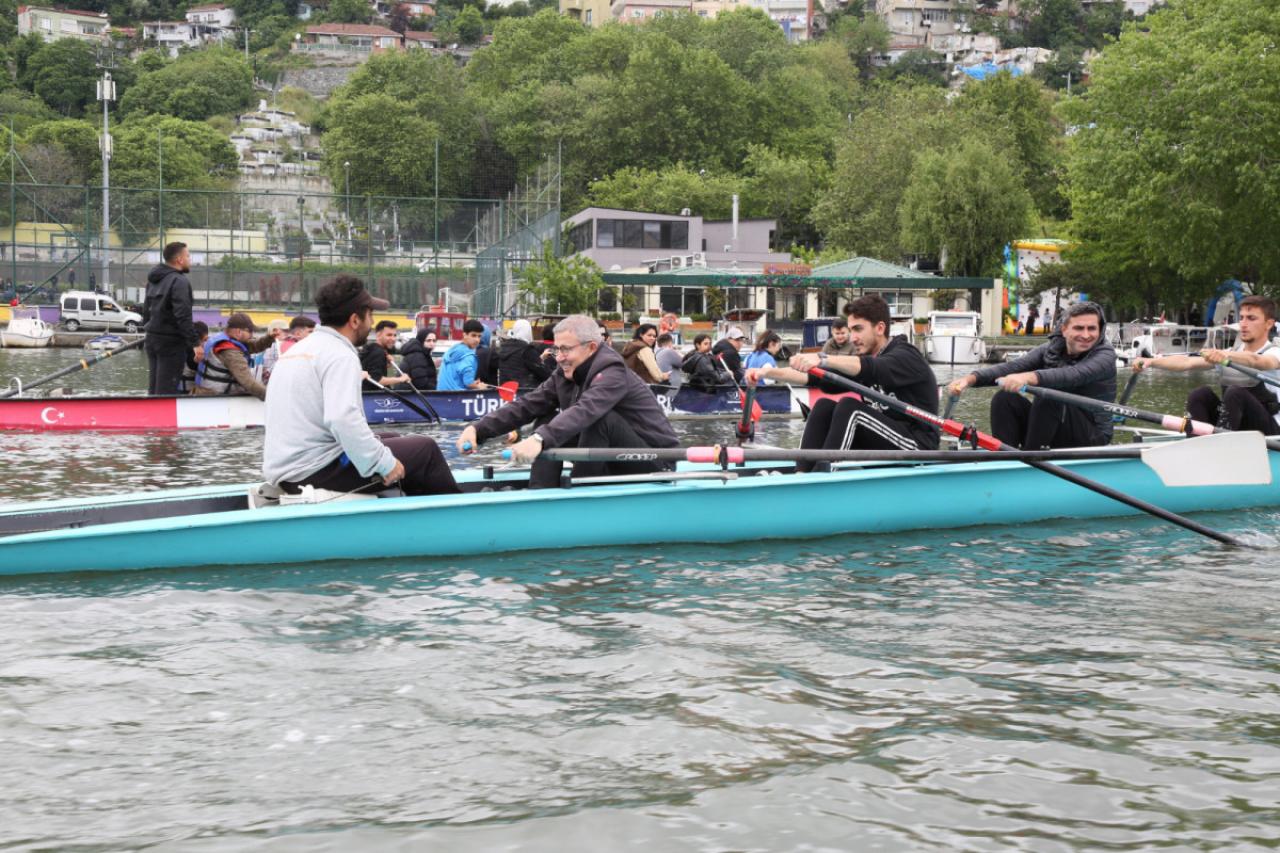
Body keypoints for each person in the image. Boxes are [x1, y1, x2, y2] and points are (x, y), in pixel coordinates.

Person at [263, 275, 459, 497]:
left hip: (288, 471)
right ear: (355, 320)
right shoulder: (340, 354)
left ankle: (405, 504)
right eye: (370, 315)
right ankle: (458, 513)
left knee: (392, 438)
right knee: (425, 449)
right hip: (315, 471)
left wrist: (380, 455)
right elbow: (342, 419)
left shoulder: (299, 350)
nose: (372, 323)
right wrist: (384, 463)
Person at [456, 314, 680, 489]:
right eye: (557, 349)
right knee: (546, 419)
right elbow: (528, 404)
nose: (559, 357)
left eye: (565, 349)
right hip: (612, 454)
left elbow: (586, 410)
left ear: (591, 347)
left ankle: (579, 494)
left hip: (657, 461)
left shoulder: (612, 370)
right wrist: (478, 429)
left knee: (598, 419)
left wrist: (539, 439)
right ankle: (540, 492)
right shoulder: (566, 371)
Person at [750, 295, 939, 469]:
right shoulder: (865, 360)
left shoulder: (905, 356)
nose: (852, 338)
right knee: (824, 406)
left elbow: (873, 368)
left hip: (918, 446)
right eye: (850, 330)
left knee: (850, 407)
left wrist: (821, 358)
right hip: (883, 438)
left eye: (858, 329)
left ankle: (822, 479)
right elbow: (815, 377)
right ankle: (802, 475)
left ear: (880, 328)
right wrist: (767, 372)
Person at [948, 301, 1117, 449]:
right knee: (1004, 398)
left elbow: (1073, 375)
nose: (1086, 335)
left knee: (1050, 396)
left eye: (1092, 329)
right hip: (1054, 428)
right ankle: (1005, 458)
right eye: (1079, 328)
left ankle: (1030, 458)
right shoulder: (1050, 349)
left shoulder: (1105, 355)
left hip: (1092, 435)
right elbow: (1013, 367)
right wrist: (969, 379)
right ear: (1064, 329)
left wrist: (1026, 378)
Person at [1133, 294, 1280, 435]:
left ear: (1269, 324)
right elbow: (1187, 362)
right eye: (1241, 318)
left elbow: (1257, 361)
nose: (1243, 324)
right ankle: (1198, 441)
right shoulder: (1228, 353)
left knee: (1235, 393)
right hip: (1235, 426)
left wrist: (1226, 355)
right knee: (1200, 395)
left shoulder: (1274, 352)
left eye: (1251, 318)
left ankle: (1221, 442)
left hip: (1269, 431)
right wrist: (1151, 362)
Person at [142, 241, 201, 396]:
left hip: (152, 339)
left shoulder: (154, 280)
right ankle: (162, 412)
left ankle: (152, 410)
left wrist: (150, 329)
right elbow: (183, 316)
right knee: (166, 390)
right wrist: (195, 343)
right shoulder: (179, 281)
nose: (190, 260)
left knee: (154, 387)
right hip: (171, 343)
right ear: (179, 260)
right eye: (188, 256)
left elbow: (146, 311)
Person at [193, 313, 269, 400]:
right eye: (250, 332)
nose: (252, 335)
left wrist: (270, 337)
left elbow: (254, 345)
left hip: (202, 393)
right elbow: (248, 383)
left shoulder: (222, 338)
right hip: (215, 399)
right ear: (238, 332)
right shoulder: (230, 351)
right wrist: (271, 398)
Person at [497, 319, 551, 390]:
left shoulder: (504, 348)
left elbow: (518, 364)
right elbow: (543, 372)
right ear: (528, 332)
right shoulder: (526, 349)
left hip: (506, 391)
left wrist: (540, 358)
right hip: (523, 391)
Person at [437, 319, 486, 391]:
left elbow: (455, 376)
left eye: (479, 336)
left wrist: (473, 383)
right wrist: (479, 386)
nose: (477, 340)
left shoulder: (451, 350)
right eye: (473, 335)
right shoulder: (468, 356)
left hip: (441, 393)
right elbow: (468, 383)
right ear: (464, 335)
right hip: (457, 395)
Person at [361, 320, 411, 388]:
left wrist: (384, 363)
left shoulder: (373, 349)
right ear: (378, 335)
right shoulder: (378, 352)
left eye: (395, 335)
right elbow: (376, 379)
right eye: (389, 335)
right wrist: (400, 379)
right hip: (374, 393)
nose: (393, 339)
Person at [398, 326, 439, 390]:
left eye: (434, 341)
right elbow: (421, 383)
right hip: (408, 394)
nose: (432, 343)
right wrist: (438, 389)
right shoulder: (417, 356)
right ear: (421, 341)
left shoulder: (423, 354)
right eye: (428, 341)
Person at [177, 321, 210, 394]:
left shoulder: (180, 348)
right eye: (205, 340)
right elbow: (193, 361)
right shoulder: (195, 354)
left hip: (175, 391)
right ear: (205, 338)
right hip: (189, 396)